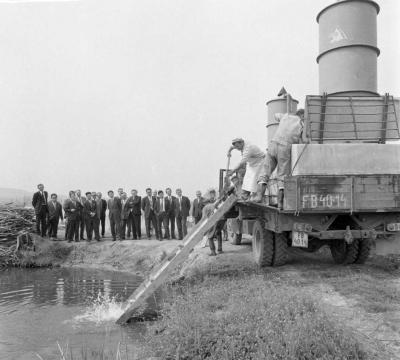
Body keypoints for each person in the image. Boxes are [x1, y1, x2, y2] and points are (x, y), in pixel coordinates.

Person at [256, 109, 305, 203]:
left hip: (273, 144)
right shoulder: (302, 125)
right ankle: (280, 203)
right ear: (302, 115)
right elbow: (303, 141)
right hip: (285, 148)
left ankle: (259, 196)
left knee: (265, 170)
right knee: (282, 174)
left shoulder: (285, 116)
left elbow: (275, 115)